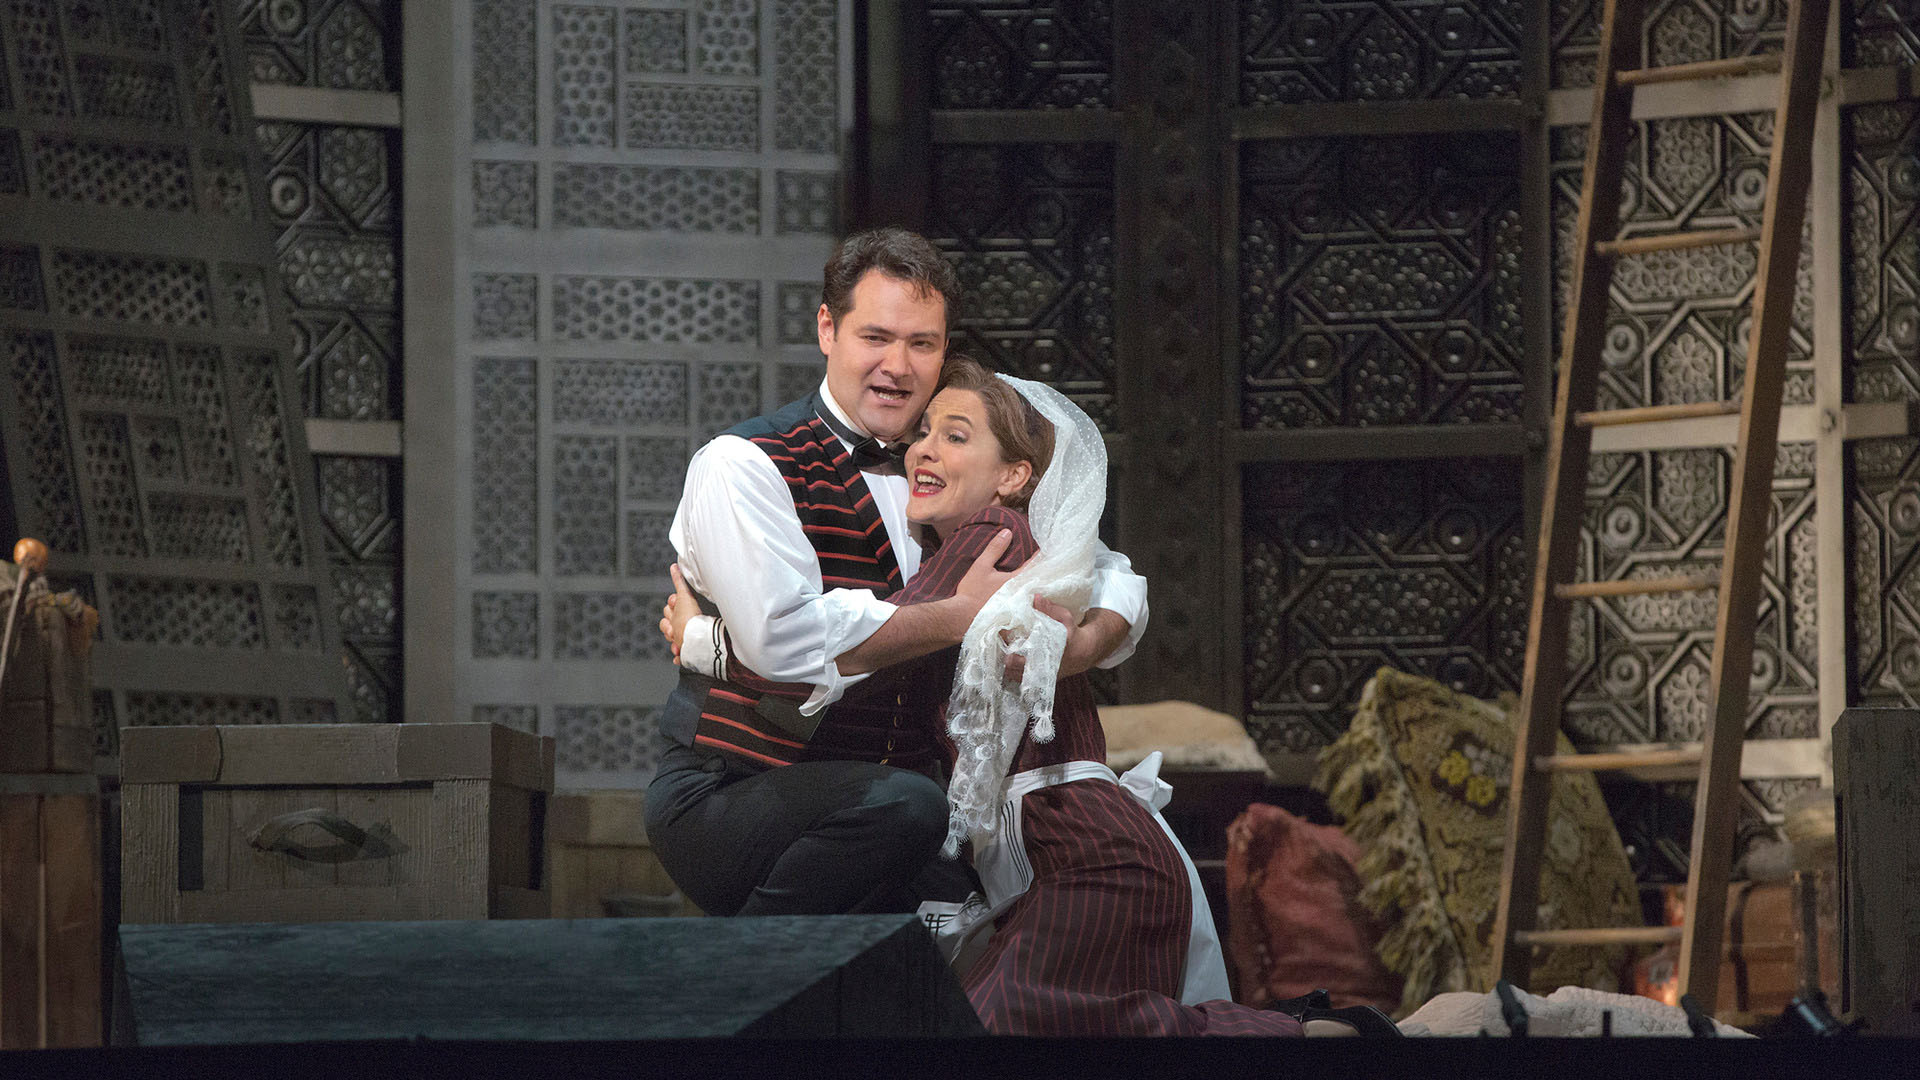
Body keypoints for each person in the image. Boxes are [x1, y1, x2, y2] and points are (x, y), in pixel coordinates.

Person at [668, 356, 1309, 1036]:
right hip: (1058, 852)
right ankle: (1326, 1032)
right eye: (923, 432)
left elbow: (852, 657)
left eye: (955, 435)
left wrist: (702, 641)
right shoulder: (1003, 547)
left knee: (1002, 1035)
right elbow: (1114, 579)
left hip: (1084, 849)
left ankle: (1332, 1034)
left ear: (1014, 476)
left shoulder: (988, 541)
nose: (924, 449)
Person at [645, 227, 1149, 920]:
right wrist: (954, 615)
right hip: (735, 791)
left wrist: (1084, 642)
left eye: (922, 343)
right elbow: (781, 642)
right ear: (828, 329)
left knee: (992, 927)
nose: (898, 365)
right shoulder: (744, 465)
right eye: (876, 337)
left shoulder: (947, 466)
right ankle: (741, 968)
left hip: (893, 812)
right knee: (912, 809)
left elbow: (1103, 568)